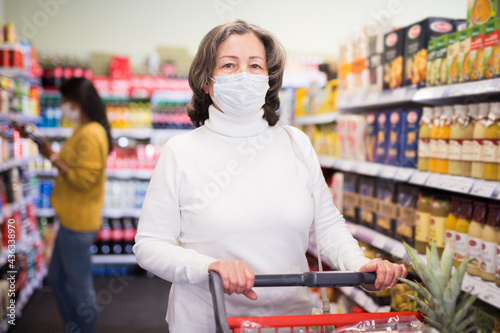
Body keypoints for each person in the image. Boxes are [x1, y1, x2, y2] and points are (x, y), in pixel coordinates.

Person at [133, 19, 407, 332]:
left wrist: (360, 266)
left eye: (254, 65)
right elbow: (150, 245)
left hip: (290, 320)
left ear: (268, 78)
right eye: (229, 65)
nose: (244, 75)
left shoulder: (295, 143)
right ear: (206, 82)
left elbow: (326, 226)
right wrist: (208, 266)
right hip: (210, 320)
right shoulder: (181, 151)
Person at [37, 78, 112, 333]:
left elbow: (84, 180)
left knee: (80, 288)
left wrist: (53, 158)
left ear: (77, 103)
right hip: (70, 219)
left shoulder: (91, 133)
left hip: (79, 224)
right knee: (57, 279)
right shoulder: (84, 129)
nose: (62, 106)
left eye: (65, 101)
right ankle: (74, 327)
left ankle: (84, 329)